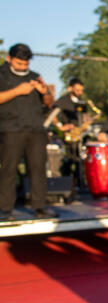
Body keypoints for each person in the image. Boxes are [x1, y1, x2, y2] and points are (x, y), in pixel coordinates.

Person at [0, 43, 55, 221]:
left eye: (26, 64)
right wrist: (18, 91)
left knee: (38, 168)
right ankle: (5, 209)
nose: (23, 67)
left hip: (35, 129)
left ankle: (39, 207)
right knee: (9, 169)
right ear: (9, 59)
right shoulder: (1, 75)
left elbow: (48, 103)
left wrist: (44, 91)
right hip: (11, 129)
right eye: (19, 63)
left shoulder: (34, 77)